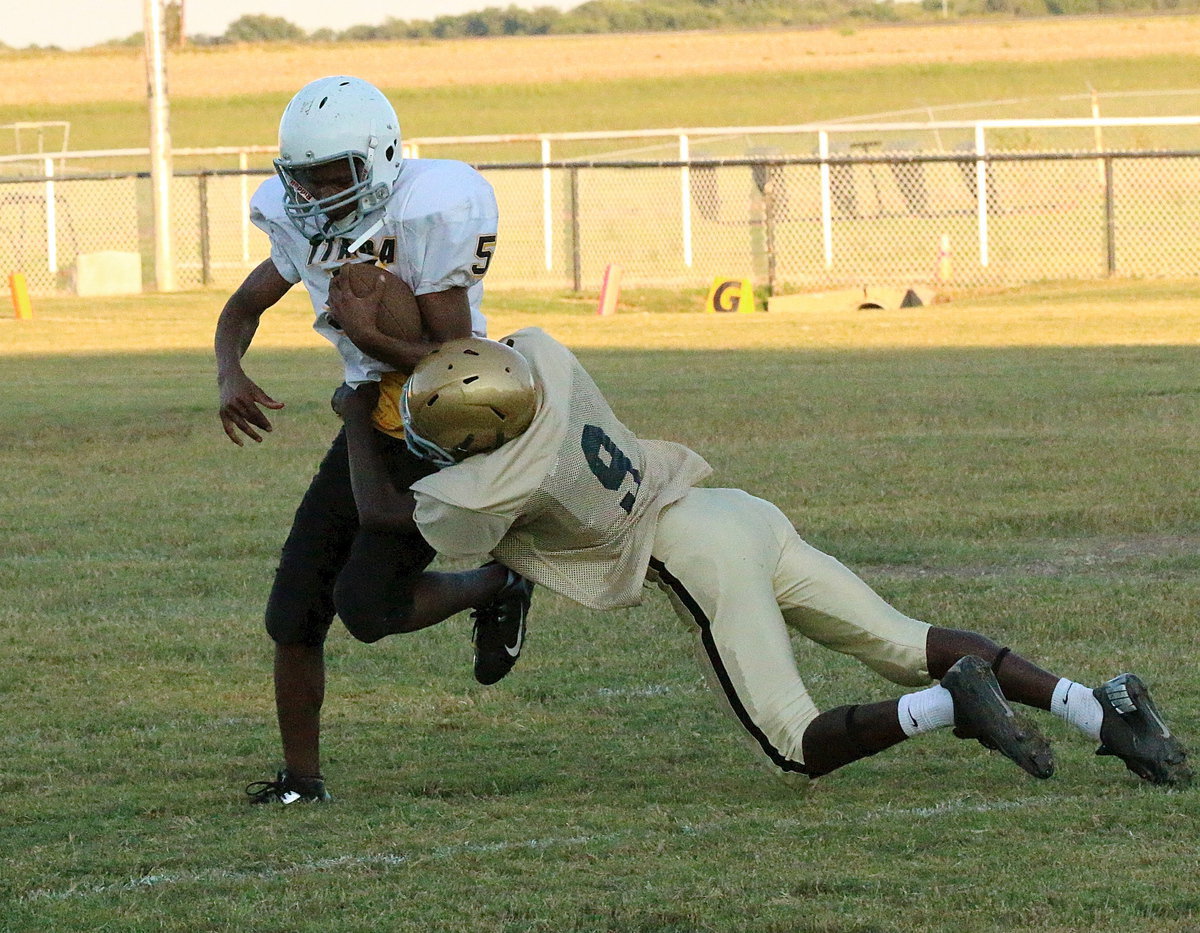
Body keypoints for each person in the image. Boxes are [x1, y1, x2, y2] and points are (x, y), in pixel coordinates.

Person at [322, 290, 1191, 790]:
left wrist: (358, 414)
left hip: (698, 557)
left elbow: (384, 517)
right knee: (906, 641)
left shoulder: (496, 481)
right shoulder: (542, 356)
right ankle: (1097, 707)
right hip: (736, 509)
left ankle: (947, 707)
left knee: (793, 739)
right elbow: (483, 350)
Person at [216, 75, 531, 806]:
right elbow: (242, 305)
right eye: (308, 176)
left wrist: (363, 340)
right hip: (368, 414)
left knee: (367, 607)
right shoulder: (303, 222)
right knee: (292, 612)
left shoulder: (431, 207)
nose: (321, 189)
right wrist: (229, 371)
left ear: (380, 158)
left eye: (337, 172)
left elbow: (459, 362)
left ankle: (497, 581)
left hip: (440, 418)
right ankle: (302, 781)